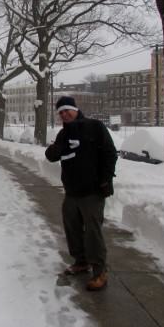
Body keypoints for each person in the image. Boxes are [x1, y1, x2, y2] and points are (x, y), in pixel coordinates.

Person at [45, 96, 117, 291]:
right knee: (72, 228)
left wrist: (106, 178)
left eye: (67, 110)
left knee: (93, 231)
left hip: (93, 190)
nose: (64, 114)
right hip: (72, 191)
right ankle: (81, 261)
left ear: (75, 109)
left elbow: (110, 153)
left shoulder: (95, 127)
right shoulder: (63, 134)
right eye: (60, 112)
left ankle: (100, 271)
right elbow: (52, 156)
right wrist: (54, 149)